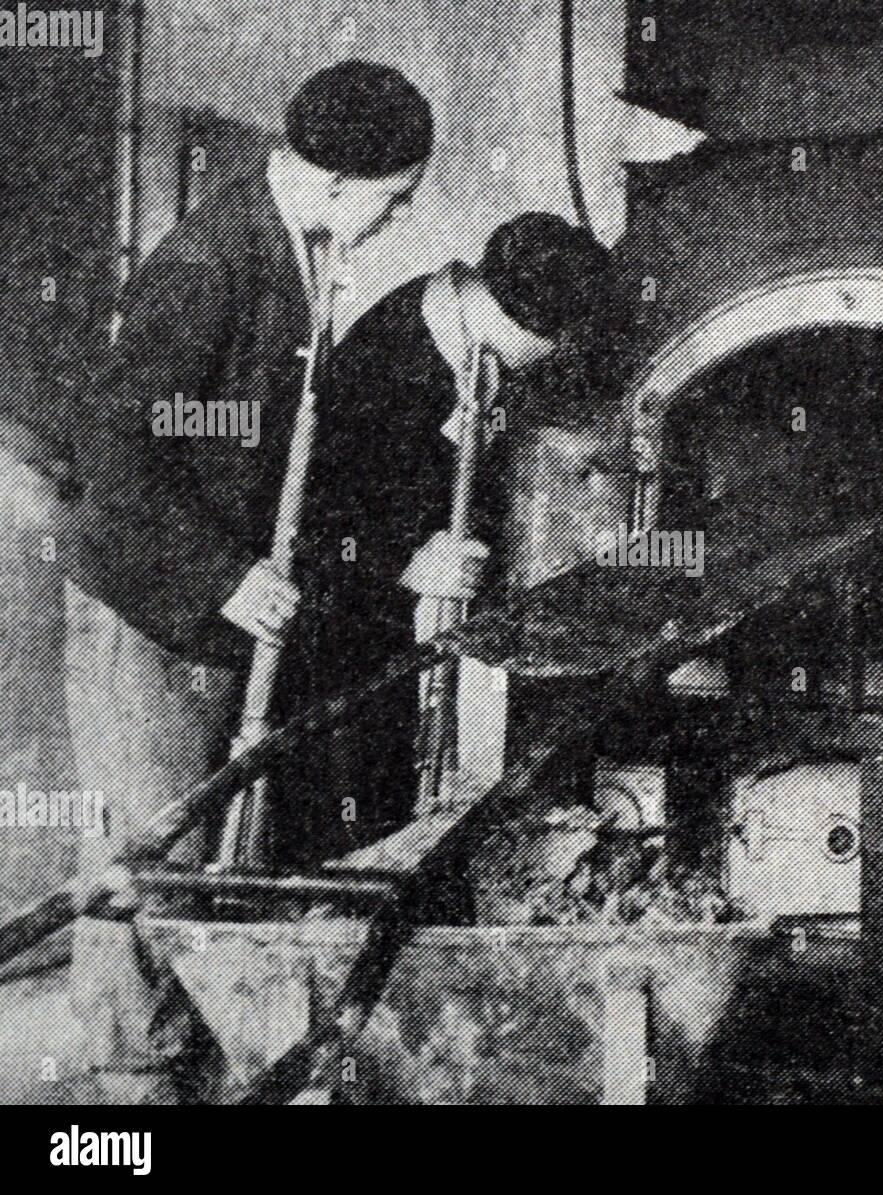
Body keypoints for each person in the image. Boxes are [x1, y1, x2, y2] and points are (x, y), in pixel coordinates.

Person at [65, 60, 433, 1103]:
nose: (399, 217)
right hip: (144, 602)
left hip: (207, 609)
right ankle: (127, 1101)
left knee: (208, 847)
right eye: (395, 199)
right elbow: (114, 456)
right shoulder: (209, 264)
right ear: (327, 180)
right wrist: (224, 575)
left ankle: (197, 1067)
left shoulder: (298, 249)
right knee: (148, 853)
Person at [276, 212, 615, 868]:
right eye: (560, 339)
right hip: (324, 638)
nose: (559, 355)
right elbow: (305, 525)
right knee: (341, 830)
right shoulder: (390, 364)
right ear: (523, 319)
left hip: (384, 636)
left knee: (389, 810)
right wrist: (405, 563)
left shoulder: (471, 340)